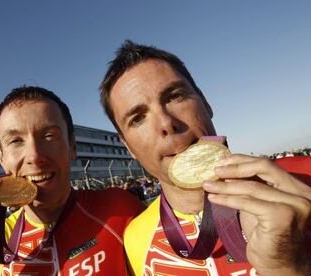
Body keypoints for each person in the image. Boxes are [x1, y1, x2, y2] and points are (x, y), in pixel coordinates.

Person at [99, 40, 311, 275]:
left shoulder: (302, 177)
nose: (167, 123)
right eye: (138, 118)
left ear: (205, 103)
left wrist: (289, 267)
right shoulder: (135, 239)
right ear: (127, 146)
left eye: (175, 96)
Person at [0, 86, 143, 275]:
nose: (34, 156)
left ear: (72, 147)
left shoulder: (121, 207)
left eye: (49, 136)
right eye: (16, 141)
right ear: (2, 159)